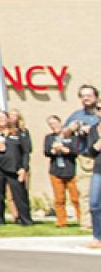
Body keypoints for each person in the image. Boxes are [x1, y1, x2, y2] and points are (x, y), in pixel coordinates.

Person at [0, 110, 32, 226]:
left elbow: (26, 152)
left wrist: (24, 168)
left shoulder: (18, 133)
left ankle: (26, 220)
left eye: (3, 117)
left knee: (20, 195)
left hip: (14, 168)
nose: (1, 120)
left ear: (8, 119)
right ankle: (0, 220)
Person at [65, 84, 99, 234]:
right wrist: (70, 129)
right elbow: (64, 133)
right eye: (83, 96)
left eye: (89, 95)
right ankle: (87, 224)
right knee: (85, 193)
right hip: (85, 158)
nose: (86, 98)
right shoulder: (77, 115)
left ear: (96, 97)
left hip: (99, 157)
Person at [44, 115, 81, 229]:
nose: (53, 126)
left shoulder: (71, 136)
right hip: (56, 171)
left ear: (60, 123)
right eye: (50, 124)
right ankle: (62, 221)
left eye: (54, 123)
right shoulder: (49, 138)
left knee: (76, 198)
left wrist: (66, 150)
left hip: (70, 171)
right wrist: (53, 150)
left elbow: (75, 151)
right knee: (59, 199)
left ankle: (82, 220)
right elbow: (46, 151)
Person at [81, 117, 101, 248]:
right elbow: (90, 151)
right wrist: (96, 146)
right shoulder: (94, 129)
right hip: (98, 170)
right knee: (94, 204)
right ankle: (97, 237)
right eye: (98, 108)